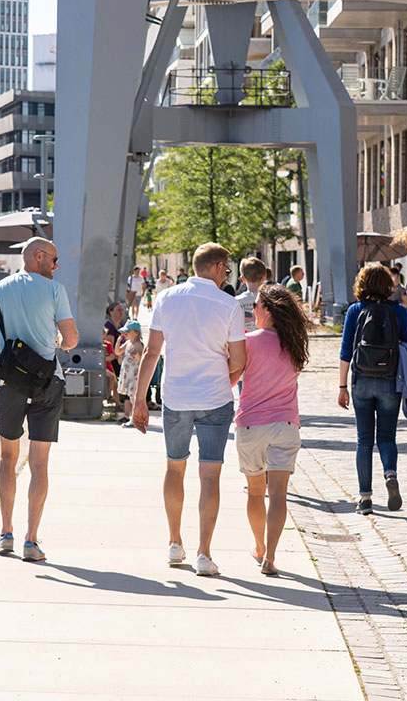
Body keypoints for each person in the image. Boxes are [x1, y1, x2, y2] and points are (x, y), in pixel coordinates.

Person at [0, 238, 79, 561]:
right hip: (48, 382)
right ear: (38, 257)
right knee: (39, 464)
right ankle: (31, 540)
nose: (56, 267)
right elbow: (71, 339)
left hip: (9, 383)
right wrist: (58, 340)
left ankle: (5, 533)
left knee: (7, 459)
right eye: (54, 260)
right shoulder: (55, 292)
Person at [132, 242, 247, 575]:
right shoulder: (229, 305)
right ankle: (204, 554)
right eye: (226, 268)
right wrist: (219, 385)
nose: (227, 272)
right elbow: (239, 361)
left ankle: (174, 542)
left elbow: (151, 353)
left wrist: (139, 400)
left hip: (176, 396)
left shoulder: (166, 298)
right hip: (214, 397)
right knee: (210, 474)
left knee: (174, 469)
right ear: (217, 266)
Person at [232, 284, 310, 576]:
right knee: (279, 495)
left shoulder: (248, 342)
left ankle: (258, 546)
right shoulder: (295, 344)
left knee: (255, 494)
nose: (252, 312)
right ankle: (272, 556)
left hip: (251, 424)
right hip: (285, 425)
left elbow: (232, 376)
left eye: (255, 307)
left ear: (267, 310)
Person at [338, 263, 407, 515]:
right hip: (390, 380)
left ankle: (366, 498)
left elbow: (346, 351)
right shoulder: (400, 312)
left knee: (363, 440)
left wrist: (342, 386)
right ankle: (390, 473)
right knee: (387, 437)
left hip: (361, 380)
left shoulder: (355, 310)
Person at [115, 321, 144, 427]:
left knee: (133, 396)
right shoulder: (128, 344)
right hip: (127, 374)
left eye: (128, 332)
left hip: (134, 375)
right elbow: (117, 352)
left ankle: (134, 417)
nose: (125, 334)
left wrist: (136, 355)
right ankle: (128, 416)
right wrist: (118, 341)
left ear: (136, 332)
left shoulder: (138, 344)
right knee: (128, 396)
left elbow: (142, 359)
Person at [236, 257, 267, 332]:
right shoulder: (270, 300)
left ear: (243, 279)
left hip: (243, 342)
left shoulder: (236, 301)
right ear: (264, 276)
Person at [104, 300, 126, 375]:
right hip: (115, 360)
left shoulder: (122, 325)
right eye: (119, 310)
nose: (121, 312)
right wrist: (121, 357)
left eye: (122, 310)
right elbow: (110, 348)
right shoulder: (109, 327)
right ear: (111, 312)